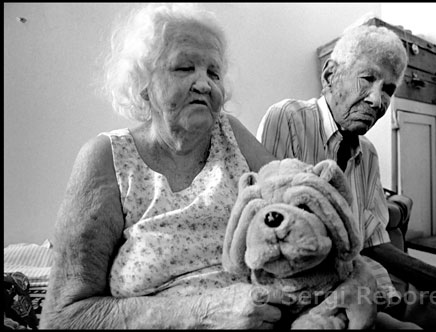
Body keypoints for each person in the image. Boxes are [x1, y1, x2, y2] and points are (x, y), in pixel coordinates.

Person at [39, 3, 285, 329]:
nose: (204, 84)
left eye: (214, 73)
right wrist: (202, 311)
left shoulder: (232, 134)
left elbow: (294, 204)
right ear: (144, 84)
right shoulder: (105, 158)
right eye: (184, 68)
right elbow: (61, 318)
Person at [257, 23, 436, 330]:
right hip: (313, 294)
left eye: (388, 89)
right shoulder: (289, 118)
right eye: (368, 78)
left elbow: (372, 240)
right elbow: (275, 233)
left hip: (371, 282)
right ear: (330, 76)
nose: (377, 100)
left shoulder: (367, 152)